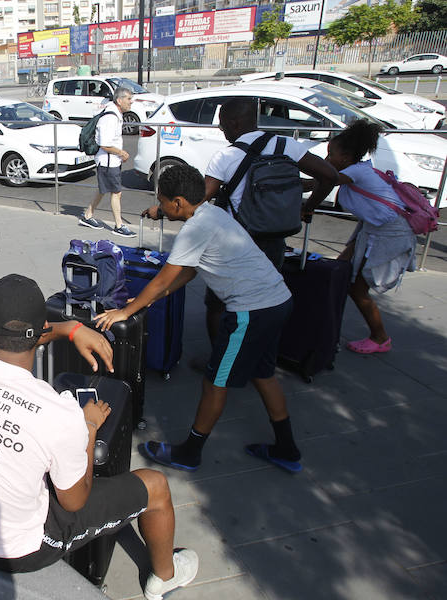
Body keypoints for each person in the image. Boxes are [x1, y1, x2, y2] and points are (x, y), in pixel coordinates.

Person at [0, 274, 199, 600]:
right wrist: (89, 428)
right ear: (37, 333)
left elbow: (20, 338)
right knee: (156, 487)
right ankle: (165, 577)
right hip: (20, 548)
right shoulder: (58, 413)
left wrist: (70, 328)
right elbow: (74, 501)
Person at [97, 164, 302, 474]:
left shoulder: (195, 229)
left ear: (177, 203)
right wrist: (155, 298)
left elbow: (163, 278)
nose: (162, 207)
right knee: (263, 374)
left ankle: (190, 453)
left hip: (251, 311)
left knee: (214, 383)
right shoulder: (214, 214)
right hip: (278, 301)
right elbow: (190, 271)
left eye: (163, 201)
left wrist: (127, 310)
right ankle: (287, 448)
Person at [200, 97, 338, 342]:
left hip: (235, 242)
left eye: (222, 125)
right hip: (274, 238)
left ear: (234, 122)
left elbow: (200, 197)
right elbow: (329, 176)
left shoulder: (226, 156)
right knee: (263, 300)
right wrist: (309, 206)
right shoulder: (287, 145)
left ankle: (219, 361)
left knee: (219, 305)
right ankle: (256, 355)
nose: (222, 131)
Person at [309, 119, 416, 354]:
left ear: (346, 157)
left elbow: (323, 180)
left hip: (389, 232)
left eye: (331, 154)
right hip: (373, 229)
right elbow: (316, 181)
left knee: (357, 289)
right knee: (339, 271)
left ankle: (380, 337)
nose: (327, 160)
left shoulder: (355, 171)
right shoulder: (357, 170)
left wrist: (306, 203)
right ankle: (326, 326)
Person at [78, 86, 136, 238]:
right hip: (108, 161)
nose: (131, 102)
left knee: (103, 189)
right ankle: (118, 225)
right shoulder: (110, 117)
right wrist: (121, 152)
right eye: (129, 99)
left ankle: (88, 215)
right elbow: (105, 144)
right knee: (116, 192)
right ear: (119, 100)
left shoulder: (114, 114)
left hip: (110, 161)